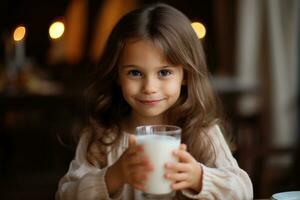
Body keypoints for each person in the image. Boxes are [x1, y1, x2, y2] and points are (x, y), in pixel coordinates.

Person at [56, 3, 253, 200]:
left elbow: (244, 192)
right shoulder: (101, 137)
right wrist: (114, 176)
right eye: (135, 73)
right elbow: (64, 195)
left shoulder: (201, 133)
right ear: (117, 74)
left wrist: (199, 178)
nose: (149, 87)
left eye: (164, 72)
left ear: (185, 75)